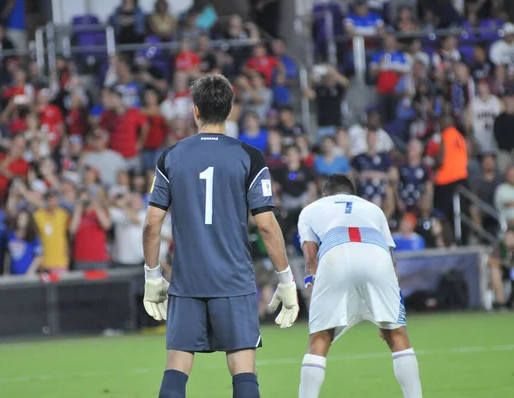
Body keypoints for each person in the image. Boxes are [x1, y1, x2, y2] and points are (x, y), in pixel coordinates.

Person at [142, 74, 298, 398]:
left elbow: (152, 223)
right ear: (230, 111)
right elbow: (267, 225)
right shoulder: (249, 157)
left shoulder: (171, 156)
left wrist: (152, 276)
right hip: (233, 280)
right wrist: (286, 280)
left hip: (187, 281)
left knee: (176, 369)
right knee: (244, 370)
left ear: (195, 111)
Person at [297, 174, 422, 398]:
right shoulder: (373, 209)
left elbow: (310, 261)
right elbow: (392, 262)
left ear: (325, 195)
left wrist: (312, 285)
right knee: (397, 335)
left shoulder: (311, 209)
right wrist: (390, 309)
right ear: (352, 195)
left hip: (335, 253)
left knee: (320, 337)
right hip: (376, 254)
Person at [70, 189, 112, 270]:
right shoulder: (75, 216)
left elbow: (106, 225)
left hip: (99, 259)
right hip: (81, 259)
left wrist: (96, 207)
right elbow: (72, 230)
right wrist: (78, 211)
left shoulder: (99, 213)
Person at [34, 189, 70, 273]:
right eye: (50, 199)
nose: (52, 202)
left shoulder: (63, 215)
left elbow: (69, 234)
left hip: (61, 263)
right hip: (44, 263)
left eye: (55, 199)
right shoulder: (38, 215)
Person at [6, 209, 42, 275]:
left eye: (24, 219)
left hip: (27, 275)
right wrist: (6, 272)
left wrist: (30, 271)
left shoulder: (33, 237)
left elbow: (38, 257)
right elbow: (8, 255)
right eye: (20, 218)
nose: (21, 221)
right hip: (12, 275)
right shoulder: (11, 235)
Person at [487, 228, 514, 310]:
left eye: (510, 237)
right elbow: (490, 260)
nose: (508, 239)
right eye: (507, 236)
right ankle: (500, 302)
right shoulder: (501, 246)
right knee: (494, 271)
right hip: (505, 271)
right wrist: (500, 263)